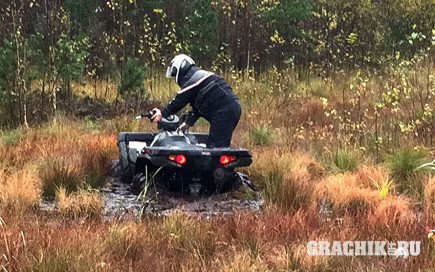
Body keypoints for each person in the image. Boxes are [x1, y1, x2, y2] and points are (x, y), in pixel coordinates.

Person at [151, 54, 241, 148]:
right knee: (218, 146)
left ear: (180, 69)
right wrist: (187, 122)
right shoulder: (201, 77)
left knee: (216, 150)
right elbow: (201, 104)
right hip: (231, 107)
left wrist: (161, 113)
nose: (175, 79)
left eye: (174, 75)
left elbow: (178, 101)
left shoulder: (194, 78)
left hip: (224, 110)